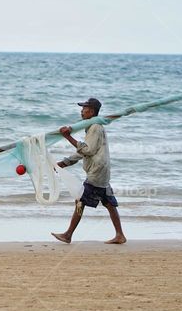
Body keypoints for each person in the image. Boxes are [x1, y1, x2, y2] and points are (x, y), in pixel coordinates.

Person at [51, 98, 127, 244]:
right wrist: (65, 162)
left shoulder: (95, 127)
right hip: (102, 171)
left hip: (97, 172)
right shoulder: (93, 126)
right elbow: (85, 151)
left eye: (84, 108)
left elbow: (88, 150)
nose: (81, 111)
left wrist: (68, 137)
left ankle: (68, 235)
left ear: (91, 111)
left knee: (80, 200)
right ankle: (120, 235)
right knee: (109, 203)